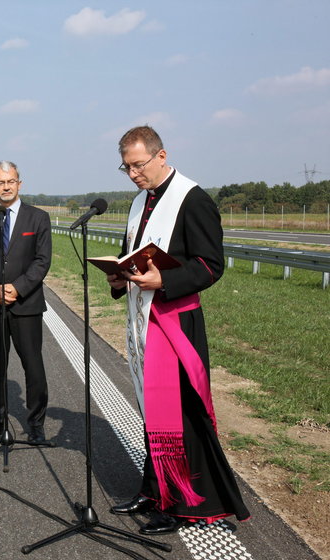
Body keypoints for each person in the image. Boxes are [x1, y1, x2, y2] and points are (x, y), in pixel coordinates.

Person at [106, 126, 249, 534]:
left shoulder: (194, 199)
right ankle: (154, 490)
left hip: (175, 322)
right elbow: (131, 253)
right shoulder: (139, 201)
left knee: (178, 416)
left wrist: (163, 283)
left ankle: (186, 504)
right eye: (127, 167)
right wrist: (119, 277)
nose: (133, 174)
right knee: (153, 412)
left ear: (161, 155)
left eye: (139, 165)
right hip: (142, 320)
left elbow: (210, 264)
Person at [0, 161, 52, 444]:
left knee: (33, 365)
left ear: (19, 183)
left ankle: (36, 424)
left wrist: (17, 288)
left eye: (10, 181)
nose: (6, 187)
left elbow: (42, 261)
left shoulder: (38, 218)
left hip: (25, 303)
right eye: (0, 183)